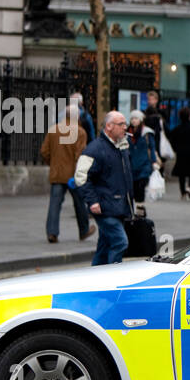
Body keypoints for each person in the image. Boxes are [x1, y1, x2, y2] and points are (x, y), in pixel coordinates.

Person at [74, 111, 133, 266]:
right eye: (121, 124)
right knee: (120, 242)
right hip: (104, 207)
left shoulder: (121, 147)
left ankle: (95, 276)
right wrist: (92, 201)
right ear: (109, 126)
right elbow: (81, 177)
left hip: (119, 206)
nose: (125, 128)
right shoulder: (95, 149)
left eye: (125, 124)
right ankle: (112, 278)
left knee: (105, 245)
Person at [40, 104, 93, 243]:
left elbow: (44, 151)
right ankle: (84, 230)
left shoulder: (54, 130)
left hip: (57, 173)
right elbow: (80, 154)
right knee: (80, 203)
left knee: (54, 204)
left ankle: (52, 232)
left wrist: (52, 163)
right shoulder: (80, 132)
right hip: (73, 175)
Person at [126, 109, 159, 215]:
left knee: (141, 186)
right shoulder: (127, 133)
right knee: (134, 187)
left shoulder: (147, 133)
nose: (133, 120)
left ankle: (140, 208)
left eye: (136, 118)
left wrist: (154, 162)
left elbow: (152, 148)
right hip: (131, 165)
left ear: (141, 120)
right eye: (132, 118)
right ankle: (138, 207)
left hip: (144, 164)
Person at [169, 106, 190, 200]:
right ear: (189, 116)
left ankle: (183, 192)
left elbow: (172, 140)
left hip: (181, 152)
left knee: (181, 173)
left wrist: (176, 149)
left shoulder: (177, 128)